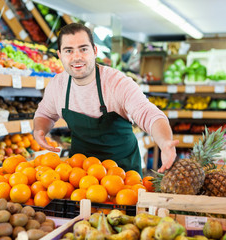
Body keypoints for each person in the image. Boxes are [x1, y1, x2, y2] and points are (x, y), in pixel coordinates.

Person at [33, 23, 179, 175]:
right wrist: (40, 130)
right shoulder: (58, 85)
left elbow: (148, 114)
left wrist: (164, 142)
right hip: (80, 175)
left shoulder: (116, 82)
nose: (76, 57)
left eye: (83, 49)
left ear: (95, 51)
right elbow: (45, 114)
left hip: (122, 175)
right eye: (68, 51)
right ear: (60, 55)